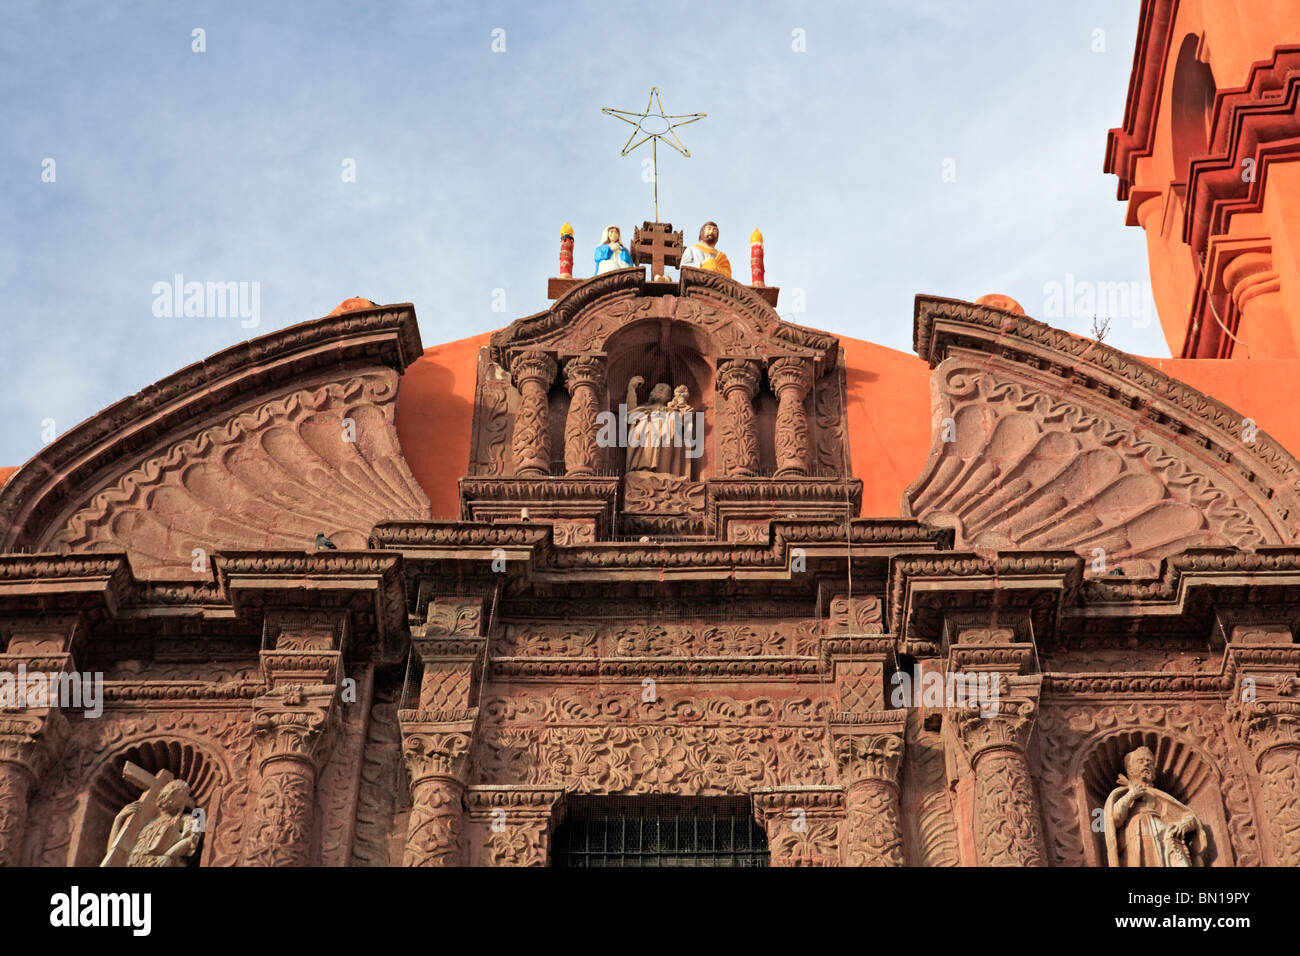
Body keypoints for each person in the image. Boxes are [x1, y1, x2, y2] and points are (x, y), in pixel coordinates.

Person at [1103, 746, 1205, 866]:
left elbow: (1190, 817)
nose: (1146, 764)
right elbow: (1115, 819)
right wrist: (1131, 795)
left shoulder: (1159, 796)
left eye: (1149, 762)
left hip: (1164, 839)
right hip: (1135, 839)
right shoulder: (1123, 793)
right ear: (1130, 769)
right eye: (1140, 761)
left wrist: (1182, 826)